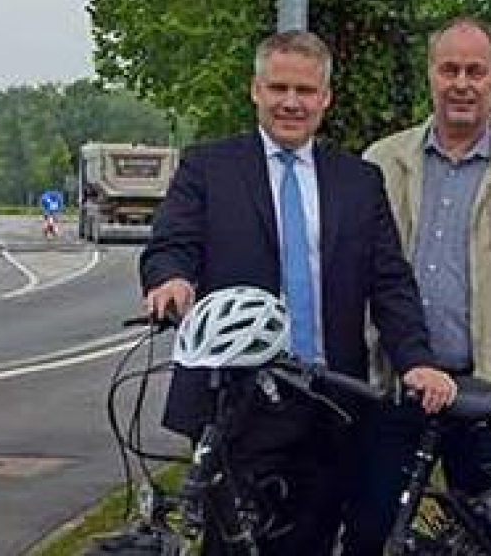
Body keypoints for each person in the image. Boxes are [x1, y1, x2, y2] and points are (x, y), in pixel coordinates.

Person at [140, 30, 456, 556]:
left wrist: (415, 361)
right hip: (235, 400)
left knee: (312, 539)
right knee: (233, 545)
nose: (292, 102)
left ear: (325, 98)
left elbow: (390, 281)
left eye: (305, 91)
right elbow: (171, 244)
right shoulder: (208, 168)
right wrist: (170, 281)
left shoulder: (358, 181)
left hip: (329, 397)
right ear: (255, 91)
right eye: (279, 88)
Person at [344, 17, 491, 555]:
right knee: (371, 535)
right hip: (398, 389)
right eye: (449, 69)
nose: (461, 83)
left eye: (475, 71)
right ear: (430, 75)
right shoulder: (381, 164)